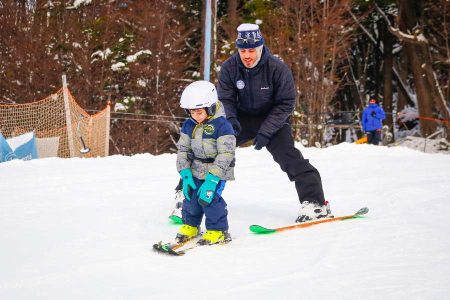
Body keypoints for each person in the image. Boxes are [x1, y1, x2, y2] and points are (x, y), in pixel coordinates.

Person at [217, 23, 332, 223]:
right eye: (243, 50)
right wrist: (231, 121)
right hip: (241, 118)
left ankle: (315, 203)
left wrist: (267, 131)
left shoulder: (277, 68)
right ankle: (187, 195)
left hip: (273, 118)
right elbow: (226, 99)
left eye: (251, 50)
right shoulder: (230, 67)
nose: (247, 55)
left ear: (260, 48)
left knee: (288, 155)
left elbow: (286, 103)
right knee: (213, 146)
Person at [175, 80, 236, 245]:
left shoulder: (223, 126)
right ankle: (191, 225)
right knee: (191, 197)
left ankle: (219, 230)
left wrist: (213, 178)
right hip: (195, 169)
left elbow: (226, 153)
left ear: (210, 107)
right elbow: (183, 150)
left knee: (208, 198)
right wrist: (184, 172)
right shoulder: (189, 125)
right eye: (192, 112)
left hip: (217, 170)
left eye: (199, 112)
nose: (195, 116)